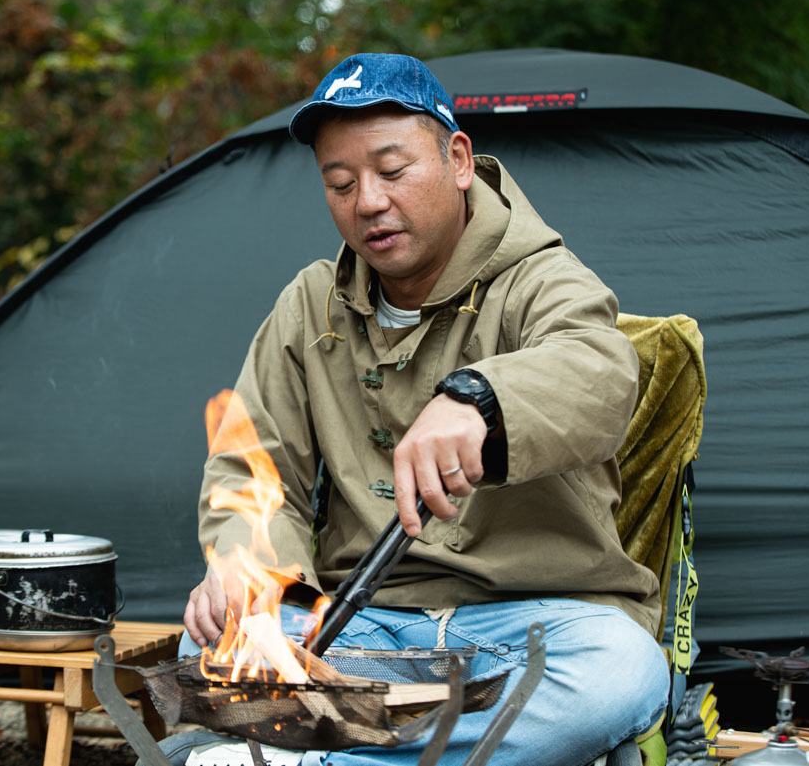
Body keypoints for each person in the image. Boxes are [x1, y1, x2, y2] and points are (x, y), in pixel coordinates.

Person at [181, 53, 668, 766]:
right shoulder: (310, 305)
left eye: (392, 170)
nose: (367, 202)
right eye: (339, 183)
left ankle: (311, 758)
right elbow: (251, 466)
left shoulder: (538, 278)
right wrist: (245, 573)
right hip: (364, 629)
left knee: (622, 671)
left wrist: (482, 399)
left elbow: (601, 371)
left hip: (534, 624)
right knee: (209, 637)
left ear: (459, 159)